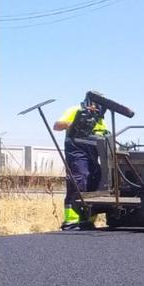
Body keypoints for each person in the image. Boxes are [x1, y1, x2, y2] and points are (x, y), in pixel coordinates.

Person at [52, 93, 108, 230]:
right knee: (79, 179)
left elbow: (105, 134)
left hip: (95, 151)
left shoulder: (100, 119)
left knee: (96, 180)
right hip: (77, 149)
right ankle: (72, 220)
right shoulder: (75, 110)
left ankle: (88, 218)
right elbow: (57, 126)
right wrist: (74, 123)